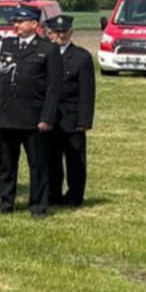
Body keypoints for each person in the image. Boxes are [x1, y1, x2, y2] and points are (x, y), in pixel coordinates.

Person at [0, 6, 60, 218]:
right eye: (15, 21)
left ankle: (38, 205)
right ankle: (6, 202)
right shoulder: (5, 46)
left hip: (33, 117)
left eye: (21, 21)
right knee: (7, 165)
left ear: (34, 24)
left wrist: (47, 117)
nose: (16, 25)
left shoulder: (47, 49)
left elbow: (53, 88)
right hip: (7, 114)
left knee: (37, 164)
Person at [45, 15, 95, 209]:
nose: (60, 35)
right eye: (57, 32)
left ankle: (75, 196)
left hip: (72, 117)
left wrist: (84, 120)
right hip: (50, 118)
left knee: (75, 160)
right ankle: (53, 193)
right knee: (51, 159)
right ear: (50, 33)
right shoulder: (45, 54)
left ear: (71, 32)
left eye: (64, 31)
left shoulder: (81, 57)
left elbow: (87, 91)